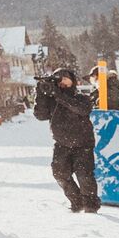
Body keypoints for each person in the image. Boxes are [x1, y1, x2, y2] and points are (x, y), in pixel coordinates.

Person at [34, 68, 101, 213]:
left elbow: (82, 110)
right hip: (62, 143)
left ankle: (90, 206)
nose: (62, 80)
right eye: (58, 78)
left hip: (83, 143)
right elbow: (40, 115)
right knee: (59, 173)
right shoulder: (53, 100)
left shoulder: (80, 97)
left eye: (65, 77)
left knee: (84, 174)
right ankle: (77, 202)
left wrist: (58, 95)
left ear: (73, 80)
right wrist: (41, 94)